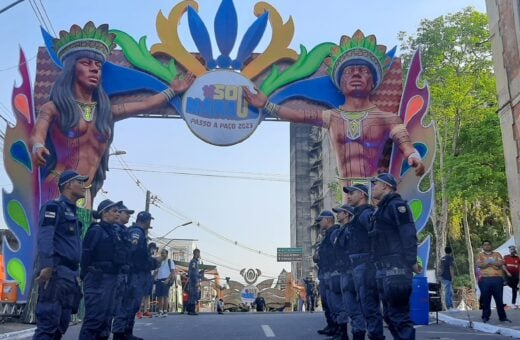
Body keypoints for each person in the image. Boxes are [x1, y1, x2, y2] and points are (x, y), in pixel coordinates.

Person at [29, 21, 195, 207]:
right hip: (59, 188)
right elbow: (38, 133)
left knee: (80, 236)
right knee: (53, 235)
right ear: (71, 70)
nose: (94, 69)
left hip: (86, 192)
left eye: (98, 66)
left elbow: (145, 104)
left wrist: (172, 91)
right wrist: (37, 147)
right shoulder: (55, 107)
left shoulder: (105, 112)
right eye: (86, 63)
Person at [243, 30, 424, 192]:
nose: (356, 74)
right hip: (347, 196)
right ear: (340, 84)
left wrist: (413, 156)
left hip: (375, 194)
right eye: (349, 71)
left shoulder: (388, 119)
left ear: (373, 82)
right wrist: (266, 104)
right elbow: (298, 115)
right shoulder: (332, 117)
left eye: (363, 70)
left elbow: (405, 144)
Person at [33, 170, 86, 340]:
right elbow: (45, 237)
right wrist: (46, 265)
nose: (84, 186)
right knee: (48, 324)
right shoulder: (53, 207)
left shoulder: (74, 213)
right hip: (56, 272)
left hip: (70, 276)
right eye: (80, 182)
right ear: (69, 184)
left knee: (61, 324)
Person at [370, 173, 420, 340]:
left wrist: (411, 261)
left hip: (396, 269)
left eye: (375, 184)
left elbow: (408, 234)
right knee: (390, 316)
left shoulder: (397, 206)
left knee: (399, 316)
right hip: (384, 270)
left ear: (385, 186)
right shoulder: (381, 210)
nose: (373, 188)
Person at [79, 199, 127, 339]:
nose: (118, 213)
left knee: (106, 320)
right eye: (114, 211)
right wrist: (86, 275)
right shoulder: (96, 230)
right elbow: (86, 254)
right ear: (104, 213)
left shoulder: (116, 233)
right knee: (94, 319)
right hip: (97, 280)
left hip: (112, 280)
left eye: (118, 211)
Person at [343, 184, 384, 340]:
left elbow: (378, 235)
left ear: (361, 194)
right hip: (357, 266)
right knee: (360, 308)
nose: (348, 196)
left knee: (370, 308)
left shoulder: (366, 213)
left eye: (351, 193)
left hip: (366, 265)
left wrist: (373, 260)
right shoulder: (357, 215)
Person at [112, 211, 158, 340]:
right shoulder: (136, 232)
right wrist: (152, 262)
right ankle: (119, 333)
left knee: (133, 305)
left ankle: (127, 332)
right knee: (127, 304)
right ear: (146, 221)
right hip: (133, 275)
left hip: (138, 275)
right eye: (150, 220)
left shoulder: (140, 232)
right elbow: (134, 254)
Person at [331, 204, 360, 340]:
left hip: (352, 272)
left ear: (347, 214)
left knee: (356, 310)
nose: (338, 215)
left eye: (340, 212)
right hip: (343, 272)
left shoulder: (352, 230)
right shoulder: (340, 231)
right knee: (349, 309)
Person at [312, 210, 339, 337]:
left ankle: (338, 329)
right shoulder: (325, 235)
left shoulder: (335, 233)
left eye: (321, 220)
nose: (319, 224)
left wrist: (321, 255)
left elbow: (335, 254)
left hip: (332, 273)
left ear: (328, 220)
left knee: (334, 303)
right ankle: (331, 325)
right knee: (326, 302)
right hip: (324, 272)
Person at [477, 240, 511, 323]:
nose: (487, 246)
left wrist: (492, 263)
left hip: (497, 279)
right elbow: (479, 265)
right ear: (483, 247)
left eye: (488, 244)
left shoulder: (497, 254)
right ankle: (485, 317)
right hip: (485, 279)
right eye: (485, 245)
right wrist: (489, 263)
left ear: (491, 246)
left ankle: (502, 317)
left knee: (499, 299)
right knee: (486, 299)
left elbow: (501, 263)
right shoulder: (480, 255)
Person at [154, 248, 176, 317]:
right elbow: (156, 270)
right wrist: (154, 277)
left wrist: (167, 279)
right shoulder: (159, 262)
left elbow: (172, 272)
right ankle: (160, 311)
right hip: (159, 279)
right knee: (159, 296)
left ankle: (165, 311)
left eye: (163, 253)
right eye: (161, 253)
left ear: (167, 254)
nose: (162, 254)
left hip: (166, 280)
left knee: (165, 296)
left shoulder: (170, 261)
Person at [439, 246, 455, 310]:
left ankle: (450, 306)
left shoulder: (442, 258)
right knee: (448, 292)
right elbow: (451, 268)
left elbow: (440, 268)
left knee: (450, 292)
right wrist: (453, 277)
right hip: (448, 277)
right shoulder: (450, 258)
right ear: (451, 252)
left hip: (442, 277)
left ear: (445, 251)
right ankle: (449, 307)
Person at [187, 248, 202, 315]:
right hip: (194, 281)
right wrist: (196, 281)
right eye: (199, 253)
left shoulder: (195, 261)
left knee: (192, 296)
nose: (199, 255)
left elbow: (195, 272)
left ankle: (190, 310)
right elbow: (193, 272)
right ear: (196, 253)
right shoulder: (193, 262)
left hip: (194, 280)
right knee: (194, 295)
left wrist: (200, 275)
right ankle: (192, 310)